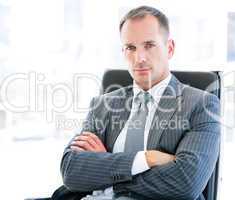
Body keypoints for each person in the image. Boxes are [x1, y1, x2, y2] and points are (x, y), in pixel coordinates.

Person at [54, 5, 220, 200]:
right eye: (130, 48)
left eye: (149, 45)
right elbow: (71, 171)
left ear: (170, 48)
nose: (139, 58)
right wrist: (147, 158)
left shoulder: (201, 105)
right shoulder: (103, 105)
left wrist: (105, 169)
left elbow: (186, 183)